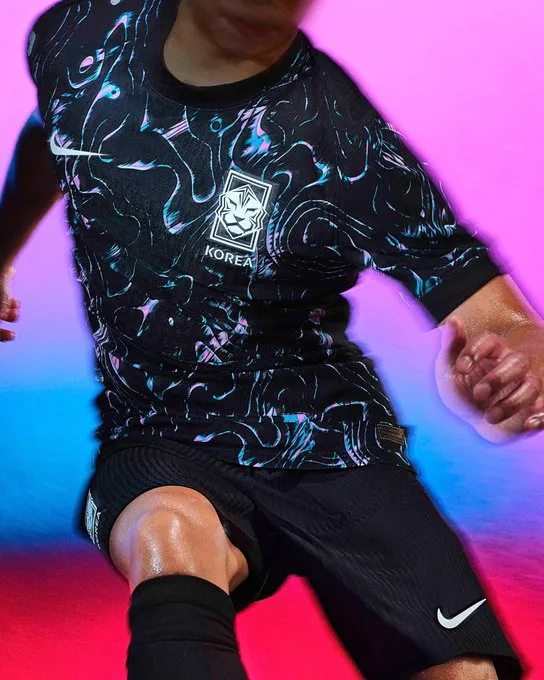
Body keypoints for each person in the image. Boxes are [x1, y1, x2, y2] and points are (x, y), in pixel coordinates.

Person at [1, 0, 542, 678]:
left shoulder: (340, 137)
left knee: (465, 673)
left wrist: (518, 362)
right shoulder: (80, 37)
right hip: (160, 433)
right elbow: (53, 129)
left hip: (333, 443)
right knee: (170, 538)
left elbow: (496, 313)